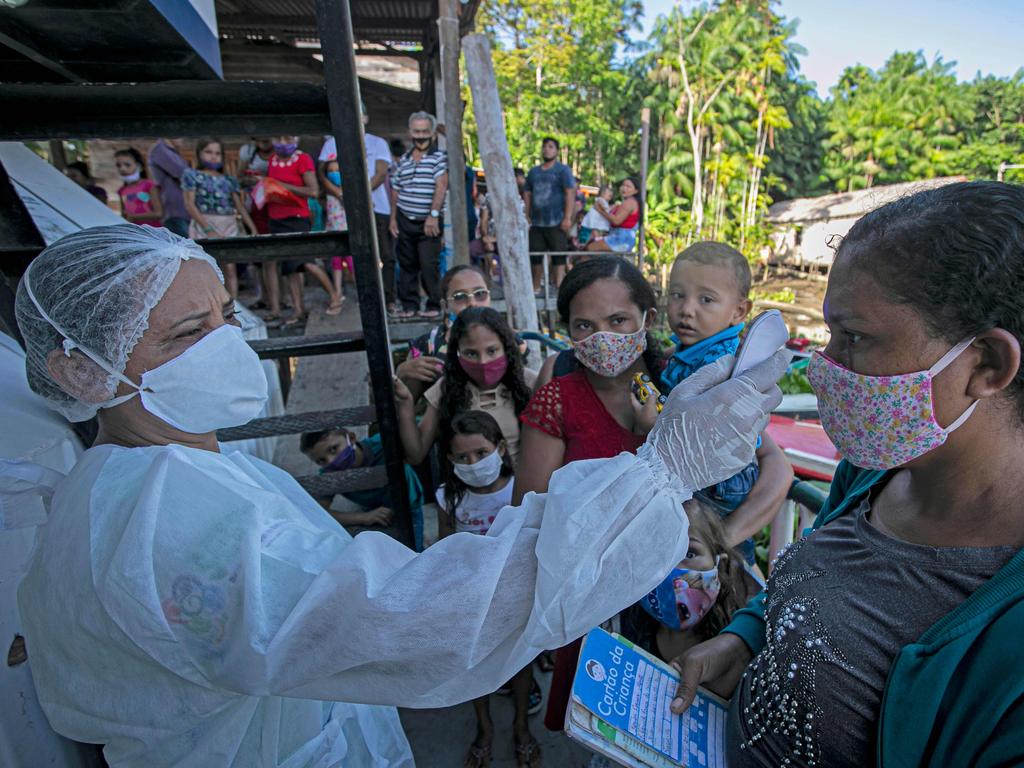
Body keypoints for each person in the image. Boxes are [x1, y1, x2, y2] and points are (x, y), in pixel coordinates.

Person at [8, 222, 785, 768]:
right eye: (186, 334)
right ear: (82, 371)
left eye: (223, 317)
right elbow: (418, 618)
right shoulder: (158, 515)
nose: (226, 344)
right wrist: (663, 473)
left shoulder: (161, 473)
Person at [670, 181, 1024, 768]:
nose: (823, 366)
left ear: (985, 364)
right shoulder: (872, 471)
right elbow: (818, 589)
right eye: (831, 333)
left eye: (854, 337)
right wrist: (746, 640)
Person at [517, 256, 792, 732]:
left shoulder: (689, 380)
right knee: (609, 719)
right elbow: (530, 514)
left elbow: (775, 466)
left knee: (690, 711)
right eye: (585, 325)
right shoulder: (559, 398)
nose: (602, 336)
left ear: (647, 317)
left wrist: (721, 538)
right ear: (567, 331)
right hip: (597, 600)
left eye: (617, 320)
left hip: (691, 592)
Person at [647, 241, 778, 563]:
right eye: (677, 295)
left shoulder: (720, 362)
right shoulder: (689, 350)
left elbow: (701, 425)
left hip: (719, 479)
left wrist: (651, 418)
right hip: (705, 467)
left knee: (710, 556)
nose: (687, 309)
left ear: (739, 312)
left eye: (706, 299)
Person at [436, 410, 540, 767]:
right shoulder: (449, 499)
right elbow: (445, 548)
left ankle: (522, 728)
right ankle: (484, 728)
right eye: (462, 457)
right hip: (471, 598)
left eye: (480, 453)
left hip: (515, 593)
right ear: (450, 460)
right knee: (473, 665)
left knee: (520, 662)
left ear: (499, 448)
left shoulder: (521, 489)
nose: (473, 463)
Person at [394, 306, 537, 468]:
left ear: (506, 347)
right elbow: (416, 454)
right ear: (458, 353)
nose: (483, 362)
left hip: (524, 487)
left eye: (492, 351)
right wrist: (405, 403)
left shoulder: (531, 383)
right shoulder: (446, 389)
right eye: (471, 353)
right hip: (465, 490)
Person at [318, 102, 396, 312]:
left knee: (384, 255)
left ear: (365, 118)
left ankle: (388, 299)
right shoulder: (331, 144)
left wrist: (358, 197)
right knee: (352, 255)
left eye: (359, 115)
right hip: (342, 210)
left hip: (375, 206)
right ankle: (361, 296)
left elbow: (380, 173)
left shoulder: (378, 142)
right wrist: (341, 194)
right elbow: (322, 174)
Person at [300, 427, 425, 551]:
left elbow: (417, 433)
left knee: (413, 552)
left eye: (334, 449)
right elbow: (318, 512)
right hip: (375, 511)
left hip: (409, 506)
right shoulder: (330, 475)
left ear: (352, 438)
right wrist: (364, 517)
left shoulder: (384, 444)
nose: (332, 461)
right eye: (322, 460)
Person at [265, 135, 341, 325]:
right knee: (291, 267)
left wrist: (281, 185)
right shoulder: (272, 161)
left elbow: (313, 191)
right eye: (279, 139)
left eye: (287, 139)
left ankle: (334, 295)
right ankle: (298, 310)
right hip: (276, 217)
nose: (283, 143)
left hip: (297, 217)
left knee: (307, 262)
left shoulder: (302, 159)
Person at [396, 265, 492, 401]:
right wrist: (402, 373)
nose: (472, 303)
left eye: (480, 294)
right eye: (460, 297)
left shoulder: (507, 340)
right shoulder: (428, 346)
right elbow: (406, 405)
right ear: (445, 306)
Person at [388, 111, 448, 319]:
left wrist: (433, 215)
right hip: (405, 219)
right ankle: (409, 306)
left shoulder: (439, 157)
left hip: (428, 222)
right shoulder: (403, 160)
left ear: (432, 133)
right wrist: (393, 218)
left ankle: (434, 304)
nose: (420, 136)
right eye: (416, 131)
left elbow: (441, 186)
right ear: (409, 132)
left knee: (428, 263)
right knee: (406, 265)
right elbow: (395, 189)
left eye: (425, 131)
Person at [182, 138, 257, 300]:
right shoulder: (192, 176)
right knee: (205, 268)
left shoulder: (229, 180)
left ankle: (233, 307)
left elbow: (239, 206)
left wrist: (252, 228)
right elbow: (190, 204)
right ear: (199, 154)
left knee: (230, 268)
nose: (213, 157)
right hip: (203, 224)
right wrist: (207, 228)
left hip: (228, 224)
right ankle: (210, 308)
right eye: (208, 152)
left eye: (217, 153)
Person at [524, 138, 575, 292]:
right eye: (545, 147)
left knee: (559, 254)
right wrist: (526, 214)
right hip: (537, 221)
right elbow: (527, 194)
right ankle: (535, 285)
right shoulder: (534, 172)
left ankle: (559, 285)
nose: (547, 149)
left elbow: (570, 193)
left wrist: (567, 217)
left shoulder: (562, 170)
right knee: (535, 255)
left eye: (551, 147)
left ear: (557, 151)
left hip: (556, 220)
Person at [147, 138, 192, 236]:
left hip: (183, 211)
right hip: (175, 213)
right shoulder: (160, 149)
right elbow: (183, 174)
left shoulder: (172, 152)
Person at [585, 177, 641, 254]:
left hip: (621, 238)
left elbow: (616, 221)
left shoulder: (629, 202)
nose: (624, 188)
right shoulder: (628, 202)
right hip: (620, 236)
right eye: (623, 185)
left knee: (590, 248)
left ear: (636, 191)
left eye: (628, 187)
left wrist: (600, 211)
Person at [113, 148, 163, 227]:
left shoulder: (149, 185)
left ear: (140, 167)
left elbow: (158, 213)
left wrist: (133, 217)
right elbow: (124, 214)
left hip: (152, 231)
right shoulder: (121, 191)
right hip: (134, 232)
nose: (122, 168)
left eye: (127, 165)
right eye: (118, 165)